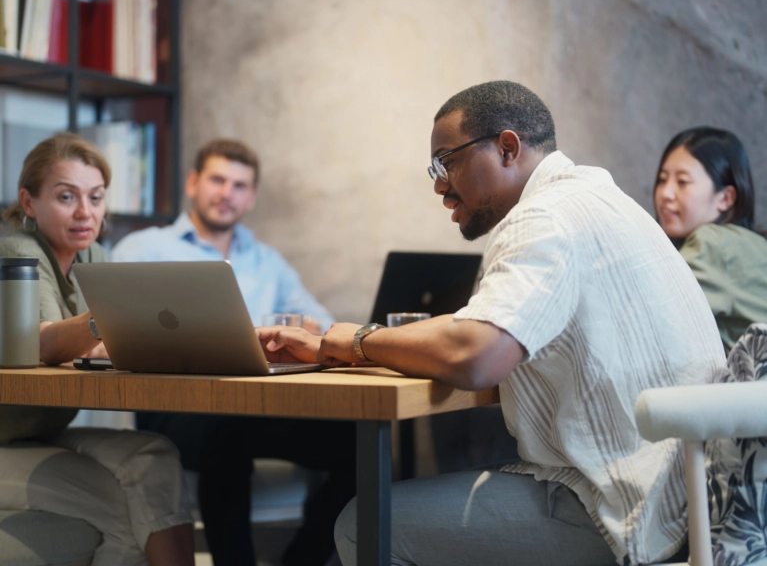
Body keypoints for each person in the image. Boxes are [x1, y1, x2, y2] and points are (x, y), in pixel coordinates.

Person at [258, 81, 726, 566]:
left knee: (364, 525)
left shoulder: (543, 218)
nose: (439, 185)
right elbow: (470, 327)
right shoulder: (595, 200)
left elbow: (477, 356)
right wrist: (334, 344)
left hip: (627, 511)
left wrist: (357, 340)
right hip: (687, 498)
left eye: (447, 161)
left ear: (507, 147)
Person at [112, 138, 354, 566]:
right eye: (217, 180)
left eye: (239, 185)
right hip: (174, 407)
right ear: (193, 182)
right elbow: (111, 331)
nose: (227, 193)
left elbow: (322, 322)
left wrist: (295, 331)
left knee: (360, 442)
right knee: (227, 434)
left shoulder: (266, 260)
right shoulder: (144, 249)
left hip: (258, 406)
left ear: (252, 196)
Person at [0, 132, 194, 566]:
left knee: (153, 455)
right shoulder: (16, 252)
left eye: (96, 197)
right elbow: (45, 342)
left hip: (37, 435)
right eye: (67, 197)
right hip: (7, 443)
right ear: (28, 203)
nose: (85, 213)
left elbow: (106, 345)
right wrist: (112, 318)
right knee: (130, 512)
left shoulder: (94, 258)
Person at [654, 127, 767, 353]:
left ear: (725, 198)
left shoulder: (715, 243)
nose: (666, 193)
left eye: (682, 182)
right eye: (662, 179)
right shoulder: (749, 243)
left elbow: (650, 312)